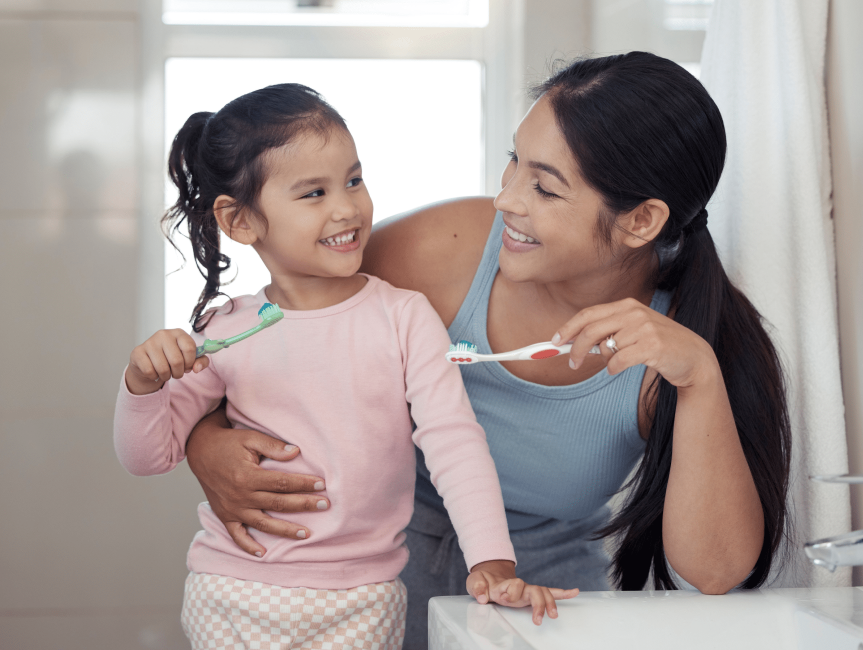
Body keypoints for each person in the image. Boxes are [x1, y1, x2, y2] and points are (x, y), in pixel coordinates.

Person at [184, 53, 793, 649]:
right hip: (371, 567)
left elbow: (714, 573)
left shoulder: (683, 347)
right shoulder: (438, 250)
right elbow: (262, 333)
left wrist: (701, 382)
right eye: (514, 162)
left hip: (541, 589)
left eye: (545, 189)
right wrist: (203, 441)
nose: (506, 200)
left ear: (640, 221)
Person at [113, 83, 575, 650]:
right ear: (240, 222)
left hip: (365, 600)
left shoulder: (404, 316)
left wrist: (494, 563)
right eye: (313, 193)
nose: (347, 207)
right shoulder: (225, 330)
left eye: (353, 180)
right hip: (233, 591)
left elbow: (454, 441)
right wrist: (140, 386)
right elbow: (147, 456)